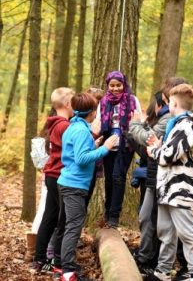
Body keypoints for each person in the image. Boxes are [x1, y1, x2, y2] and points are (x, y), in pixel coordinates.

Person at [147, 84, 193, 281]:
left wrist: (155, 151)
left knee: (187, 232)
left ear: (173, 103)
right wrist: (158, 146)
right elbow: (169, 151)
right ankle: (163, 271)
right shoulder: (177, 124)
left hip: (179, 188)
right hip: (166, 188)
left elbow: (168, 156)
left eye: (169, 102)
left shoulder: (187, 125)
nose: (167, 105)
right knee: (166, 232)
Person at [57, 93, 117, 281]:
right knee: (73, 227)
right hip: (74, 185)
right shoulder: (82, 130)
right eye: (95, 110)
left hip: (66, 182)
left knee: (67, 225)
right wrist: (105, 147)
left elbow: (76, 151)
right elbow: (81, 159)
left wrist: (93, 145)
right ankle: (67, 271)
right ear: (91, 112)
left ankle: (61, 264)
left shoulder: (74, 126)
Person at [31, 87, 74, 273]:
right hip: (58, 176)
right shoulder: (65, 126)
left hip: (52, 175)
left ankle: (39, 259)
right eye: (73, 102)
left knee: (49, 217)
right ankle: (57, 262)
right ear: (66, 104)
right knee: (62, 220)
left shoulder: (55, 123)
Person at [129, 91, 170, 275]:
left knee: (152, 220)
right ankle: (147, 257)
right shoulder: (160, 120)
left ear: (160, 105)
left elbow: (147, 144)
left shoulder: (166, 120)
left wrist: (135, 124)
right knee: (147, 217)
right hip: (152, 176)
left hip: (158, 178)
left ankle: (149, 260)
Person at [96, 70, 142, 228]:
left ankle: (114, 217)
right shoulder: (103, 102)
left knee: (118, 177)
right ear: (108, 85)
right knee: (109, 180)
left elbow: (138, 119)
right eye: (112, 85)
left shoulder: (132, 100)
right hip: (108, 145)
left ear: (124, 84)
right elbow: (98, 120)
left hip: (125, 145)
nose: (115, 88)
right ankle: (107, 212)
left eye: (118, 85)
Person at [25, 108, 57, 263]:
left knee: (44, 208)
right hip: (54, 175)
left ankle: (32, 250)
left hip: (47, 174)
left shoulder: (45, 132)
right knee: (46, 209)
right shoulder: (55, 132)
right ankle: (34, 251)